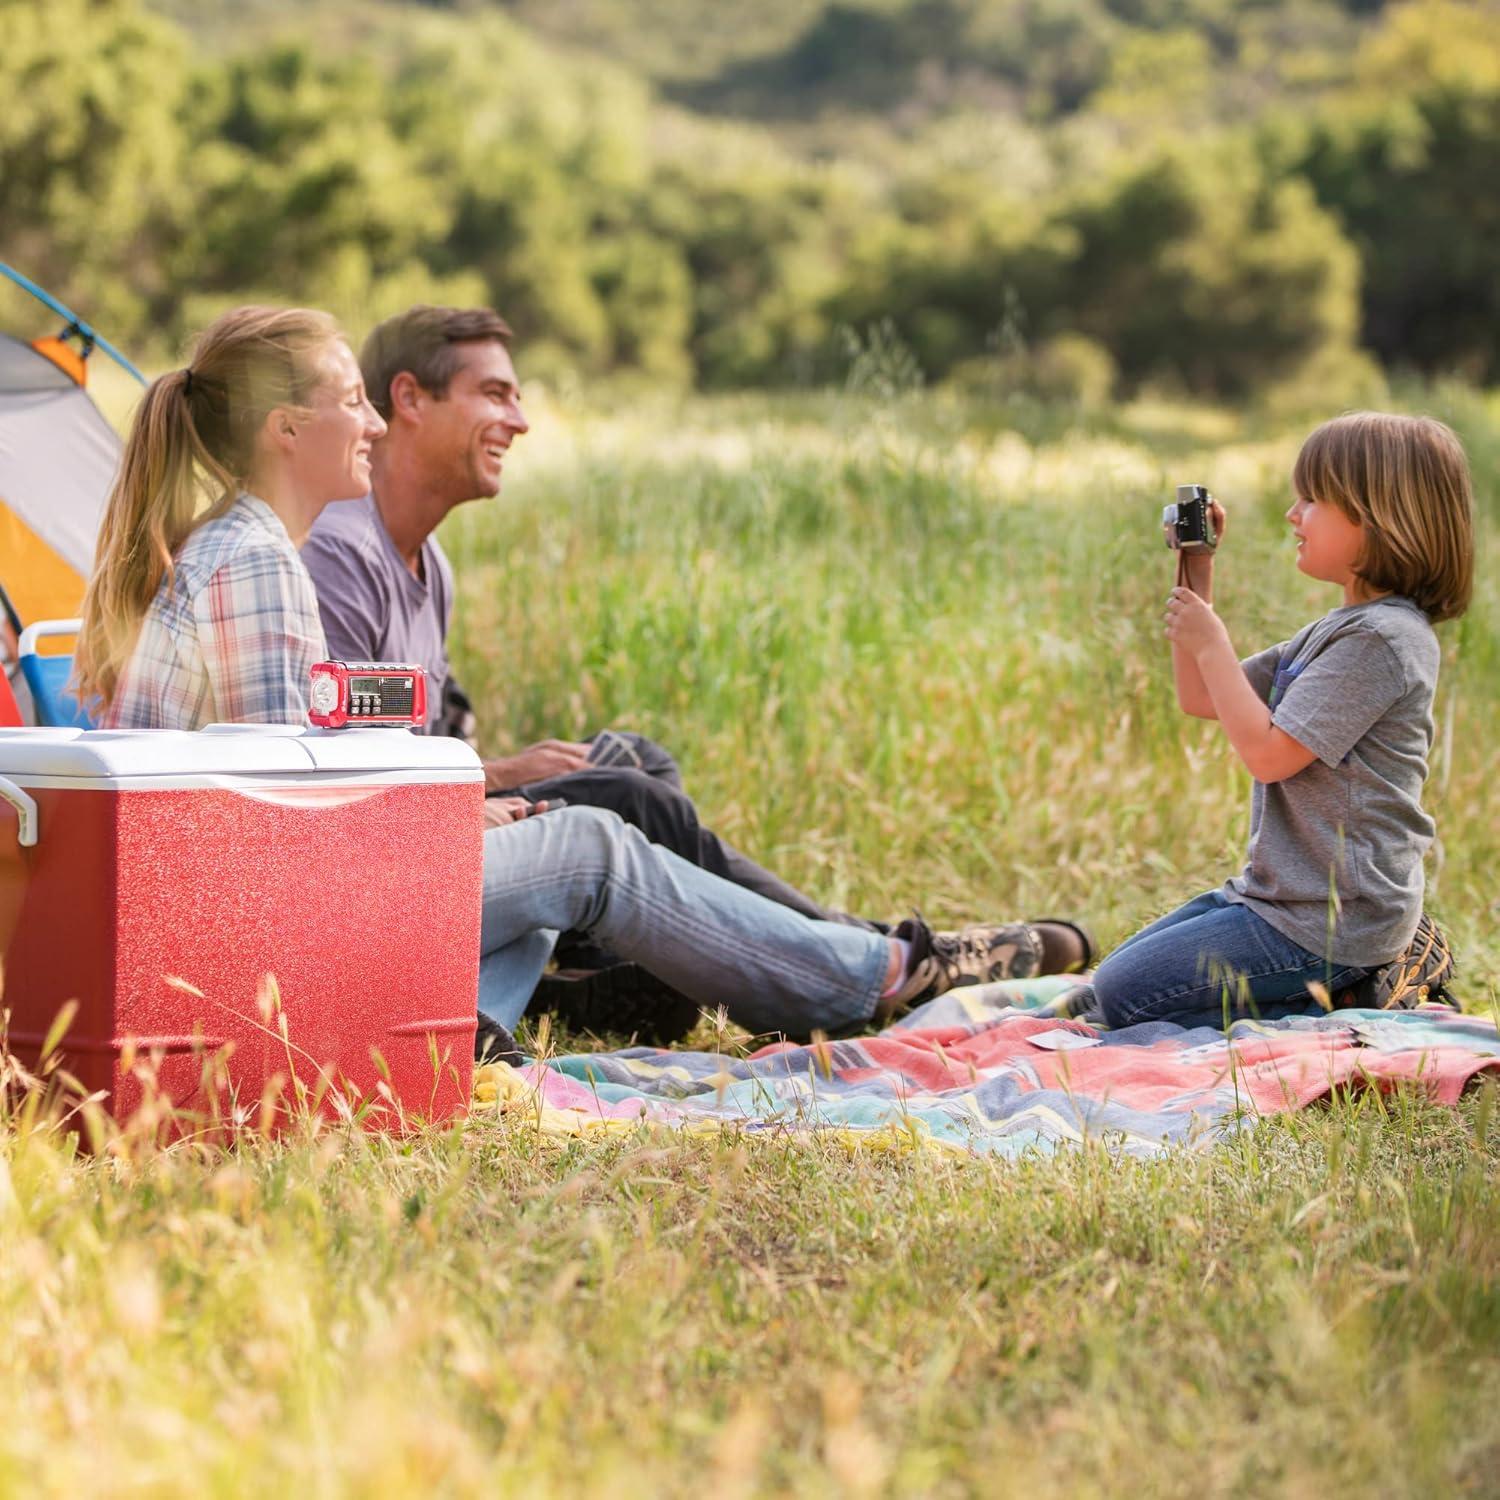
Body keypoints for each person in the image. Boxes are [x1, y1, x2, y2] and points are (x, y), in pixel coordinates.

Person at [73, 304, 1060, 1054]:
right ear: (287, 430)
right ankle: (879, 974)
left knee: (559, 836)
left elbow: (299, 784)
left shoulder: (247, 547)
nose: (371, 422)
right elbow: (278, 830)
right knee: (587, 843)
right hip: (253, 948)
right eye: (350, 402)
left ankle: (462, 1038)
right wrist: (452, 821)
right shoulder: (255, 561)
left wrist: (462, 808)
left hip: (257, 922)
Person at [1086, 412, 1474, 1030]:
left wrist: (1213, 642)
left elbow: (1269, 755)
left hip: (1334, 921)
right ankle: (1338, 982)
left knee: (1123, 996)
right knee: (1111, 982)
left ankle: (1361, 989)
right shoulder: (1338, 630)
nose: (1293, 515)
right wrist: (1197, 570)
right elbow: (1202, 697)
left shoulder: (1383, 641)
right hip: (1278, 900)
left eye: (1313, 499)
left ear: (1378, 516)